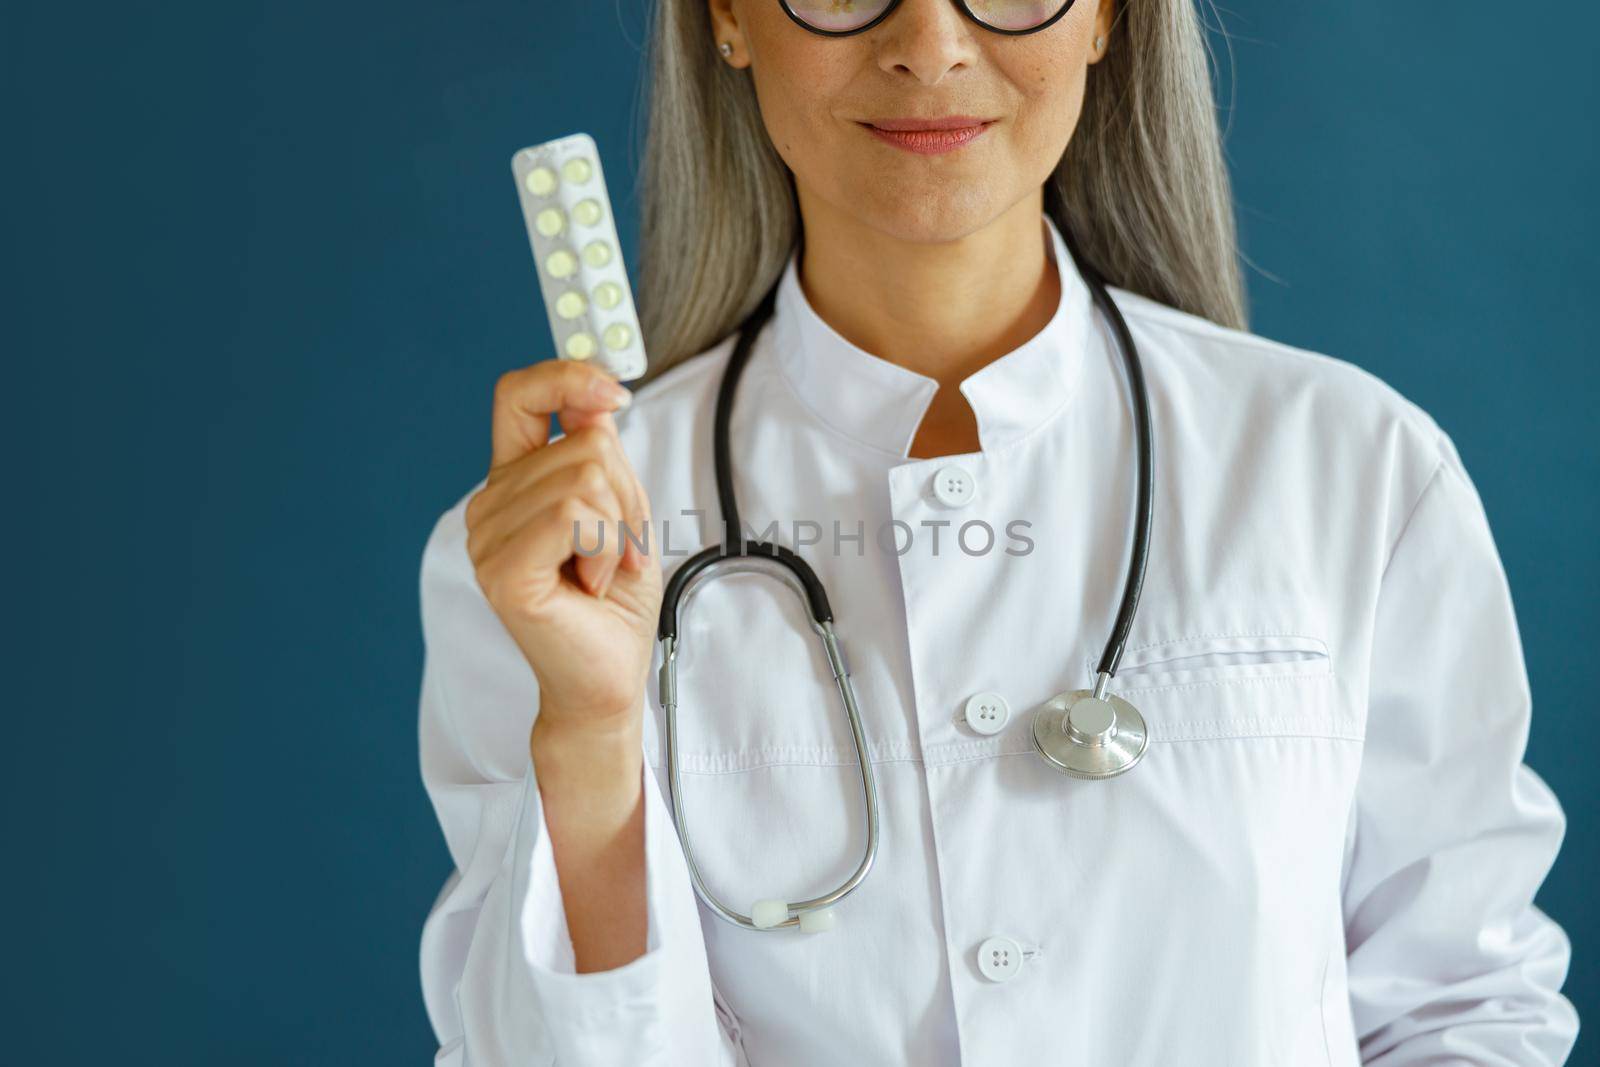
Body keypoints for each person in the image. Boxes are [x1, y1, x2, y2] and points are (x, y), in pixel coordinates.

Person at [416, 0, 1579, 1062]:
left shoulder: (1352, 470)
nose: (928, 39)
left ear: (1105, 21)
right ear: (727, 16)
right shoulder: (556, 554)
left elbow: (1462, 1006)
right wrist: (590, 729)